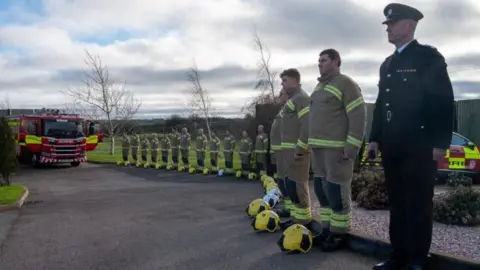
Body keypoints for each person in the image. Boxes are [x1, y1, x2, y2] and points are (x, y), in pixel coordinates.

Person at [368, 3, 455, 270]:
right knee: (397, 203)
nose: (388, 28)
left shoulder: (428, 58)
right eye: (387, 25)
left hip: (420, 145)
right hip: (393, 145)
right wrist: (374, 138)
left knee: (418, 203)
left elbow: (444, 101)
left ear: (410, 26)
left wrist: (441, 143)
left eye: (393, 24)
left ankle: (418, 259)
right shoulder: (388, 64)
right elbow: (383, 103)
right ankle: (399, 255)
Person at [308, 48, 366, 252]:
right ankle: (326, 230)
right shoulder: (318, 87)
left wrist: (351, 147)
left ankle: (339, 234)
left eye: (324, 60)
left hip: (337, 150)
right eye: (319, 60)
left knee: (336, 192)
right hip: (318, 149)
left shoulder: (346, 84)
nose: (319, 63)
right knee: (321, 191)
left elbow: (358, 116)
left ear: (336, 62)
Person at [277, 68, 312, 231]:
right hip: (288, 153)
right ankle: (296, 218)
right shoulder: (293, 99)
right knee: (291, 186)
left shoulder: (301, 98)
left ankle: (303, 222)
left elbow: (307, 125)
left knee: (298, 186)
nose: (282, 84)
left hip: (297, 152)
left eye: (284, 80)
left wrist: (301, 147)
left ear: (295, 80)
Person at [270, 89, 291, 217]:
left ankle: (293, 210)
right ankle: (288, 208)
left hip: (286, 151)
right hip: (280, 151)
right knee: (282, 181)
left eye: (282, 94)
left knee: (287, 181)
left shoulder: (290, 109)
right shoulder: (283, 109)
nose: (279, 96)